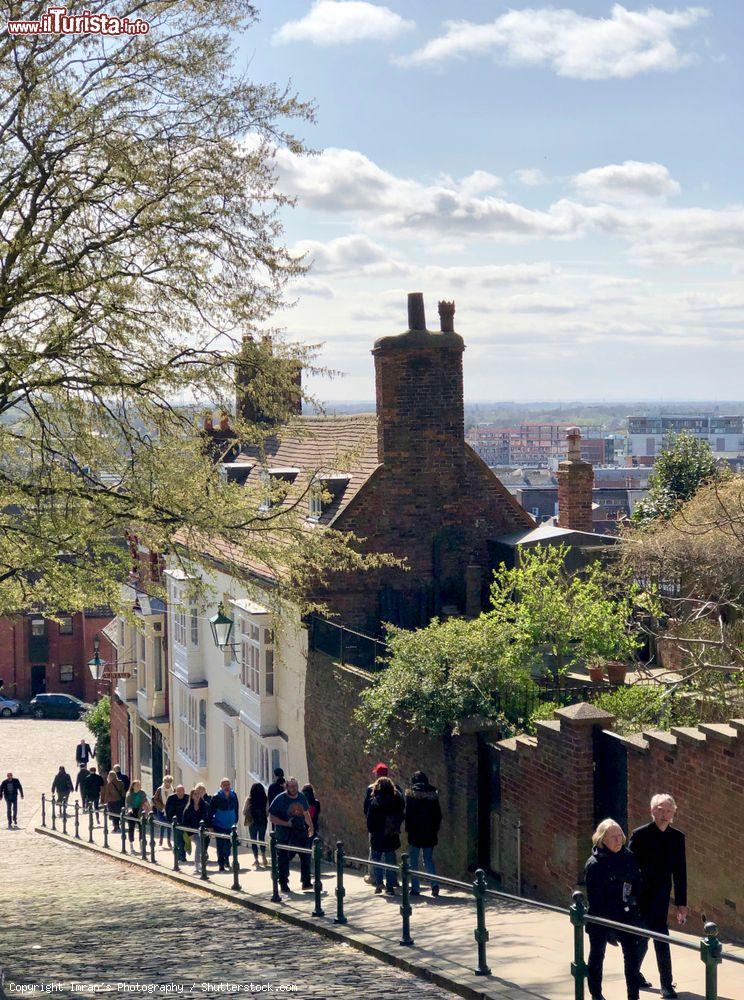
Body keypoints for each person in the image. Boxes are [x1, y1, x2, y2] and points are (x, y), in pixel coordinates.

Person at [629, 794, 687, 999]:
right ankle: (634, 974)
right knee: (641, 939)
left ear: (674, 814)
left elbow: (680, 872)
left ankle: (666, 984)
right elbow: (629, 868)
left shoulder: (677, 837)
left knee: (661, 939)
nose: (664, 814)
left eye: (668, 811)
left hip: (662, 897)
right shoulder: (640, 835)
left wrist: (681, 904)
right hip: (641, 896)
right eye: (660, 810)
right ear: (652, 811)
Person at [584, 819, 642, 1000]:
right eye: (613, 837)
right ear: (602, 840)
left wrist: (634, 904)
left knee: (632, 958)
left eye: (620, 836)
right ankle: (596, 995)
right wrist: (608, 928)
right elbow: (596, 899)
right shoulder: (594, 864)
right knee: (597, 957)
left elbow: (637, 883)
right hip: (602, 916)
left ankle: (633, 996)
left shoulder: (629, 857)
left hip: (625, 914)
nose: (618, 840)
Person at [269, 776, 314, 892]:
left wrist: (311, 826)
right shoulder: (280, 799)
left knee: (305, 855)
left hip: (300, 831)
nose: (293, 789)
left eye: (295, 786)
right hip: (284, 833)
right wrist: (286, 823)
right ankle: (283, 882)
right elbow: (272, 817)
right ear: (287, 787)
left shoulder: (301, 797)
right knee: (284, 858)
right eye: (291, 786)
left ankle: (306, 882)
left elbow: (305, 812)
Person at [404, 771, 442, 898]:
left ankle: (415, 888)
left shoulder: (410, 795)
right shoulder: (433, 796)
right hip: (430, 833)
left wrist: (408, 830)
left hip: (415, 833)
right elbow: (438, 815)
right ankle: (434, 884)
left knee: (413, 861)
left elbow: (408, 815)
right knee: (428, 859)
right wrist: (435, 829)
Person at [366, 775, 404, 896]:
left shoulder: (375, 801)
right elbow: (401, 814)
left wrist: (372, 830)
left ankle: (379, 884)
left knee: (376, 859)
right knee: (390, 861)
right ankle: (390, 887)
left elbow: (370, 819)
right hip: (391, 834)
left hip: (377, 834)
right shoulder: (397, 799)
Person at [209, 777, 239, 872]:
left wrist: (236, 820)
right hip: (219, 825)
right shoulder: (216, 797)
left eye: (228, 784)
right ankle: (221, 864)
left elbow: (236, 809)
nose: (226, 787)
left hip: (231, 826)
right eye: (224, 785)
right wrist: (210, 826)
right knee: (220, 846)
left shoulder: (234, 795)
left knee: (228, 845)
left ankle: (227, 859)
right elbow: (210, 812)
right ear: (221, 786)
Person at [184, 783, 210, 874]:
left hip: (202, 830)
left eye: (198, 794)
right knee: (199, 844)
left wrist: (208, 828)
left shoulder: (204, 805)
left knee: (203, 846)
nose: (197, 795)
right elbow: (185, 822)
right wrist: (190, 834)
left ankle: (202, 862)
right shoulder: (188, 808)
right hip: (193, 830)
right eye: (195, 794)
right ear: (191, 796)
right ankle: (197, 863)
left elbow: (206, 818)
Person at [243, 781, 268, 866]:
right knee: (262, 839)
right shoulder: (265, 799)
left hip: (252, 822)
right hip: (263, 821)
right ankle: (264, 857)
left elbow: (244, 811)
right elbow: (267, 812)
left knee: (253, 840)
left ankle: (256, 860)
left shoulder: (249, 799)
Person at [165, 784, 189, 861]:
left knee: (184, 839)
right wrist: (171, 821)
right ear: (175, 791)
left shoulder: (187, 797)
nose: (180, 792)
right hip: (175, 822)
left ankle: (179, 853)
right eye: (178, 791)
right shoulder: (171, 798)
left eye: (181, 790)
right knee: (179, 839)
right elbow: (167, 810)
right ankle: (182, 856)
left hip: (185, 822)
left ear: (184, 791)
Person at [152, 774, 175, 847]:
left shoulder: (172, 790)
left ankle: (168, 841)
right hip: (161, 809)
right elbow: (154, 799)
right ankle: (161, 839)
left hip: (169, 811)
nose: (167, 783)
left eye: (169, 781)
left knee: (168, 825)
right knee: (163, 824)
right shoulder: (160, 789)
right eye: (166, 781)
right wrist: (162, 806)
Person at [124, 780, 149, 844]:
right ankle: (131, 842)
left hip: (140, 810)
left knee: (141, 826)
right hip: (132, 810)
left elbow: (145, 801)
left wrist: (149, 808)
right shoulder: (129, 794)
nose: (139, 786)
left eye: (139, 785)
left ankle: (141, 840)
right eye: (137, 785)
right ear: (133, 786)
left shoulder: (142, 793)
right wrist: (129, 809)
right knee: (131, 827)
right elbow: (128, 803)